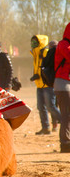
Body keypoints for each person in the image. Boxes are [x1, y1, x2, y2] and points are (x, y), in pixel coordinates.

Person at [30, 35, 61, 135]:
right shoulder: (35, 53)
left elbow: (50, 67)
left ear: (40, 42)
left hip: (47, 84)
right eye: (32, 41)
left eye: (35, 41)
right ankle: (46, 128)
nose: (33, 43)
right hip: (39, 85)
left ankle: (66, 122)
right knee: (40, 107)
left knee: (51, 106)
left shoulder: (46, 52)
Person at [54, 23, 70, 153]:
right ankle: (65, 143)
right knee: (66, 115)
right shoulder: (63, 44)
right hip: (63, 84)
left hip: (66, 83)